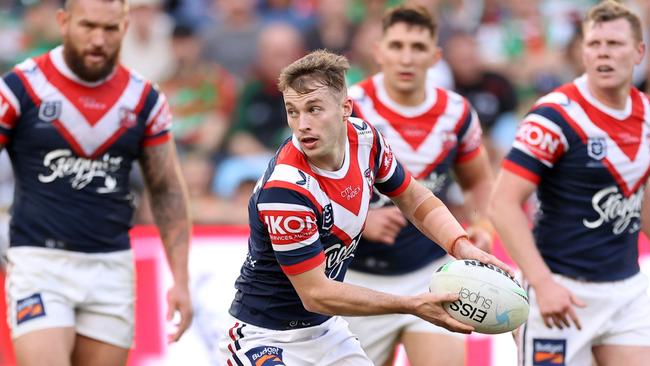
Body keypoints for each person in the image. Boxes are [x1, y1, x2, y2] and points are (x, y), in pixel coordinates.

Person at [218, 49, 510, 365]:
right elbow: (316, 294)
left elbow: (414, 197)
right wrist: (410, 304)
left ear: (346, 108)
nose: (302, 124)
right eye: (293, 111)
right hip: (265, 337)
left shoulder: (365, 139)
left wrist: (460, 245)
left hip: (325, 332)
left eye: (314, 109)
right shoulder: (286, 189)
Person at [0, 0, 193, 365]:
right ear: (63, 22)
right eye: (88, 27)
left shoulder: (144, 99)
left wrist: (180, 279)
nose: (98, 40)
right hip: (39, 261)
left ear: (124, 26)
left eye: (109, 29)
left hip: (111, 265)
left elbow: (166, 189)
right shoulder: (21, 87)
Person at [489, 2, 650, 365]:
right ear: (582, 51)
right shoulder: (554, 116)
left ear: (639, 51)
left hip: (628, 292)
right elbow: (502, 204)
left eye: (615, 43)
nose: (604, 52)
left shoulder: (647, 116)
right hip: (561, 289)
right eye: (594, 43)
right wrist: (543, 284)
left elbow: (642, 201)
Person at [344, 6, 494, 366]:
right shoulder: (349, 108)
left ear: (435, 55)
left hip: (431, 273)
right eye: (396, 46)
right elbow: (310, 189)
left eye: (417, 46)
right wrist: (361, 220)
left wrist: (482, 223)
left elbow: (478, 180)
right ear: (378, 51)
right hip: (357, 280)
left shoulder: (456, 112)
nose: (406, 57)